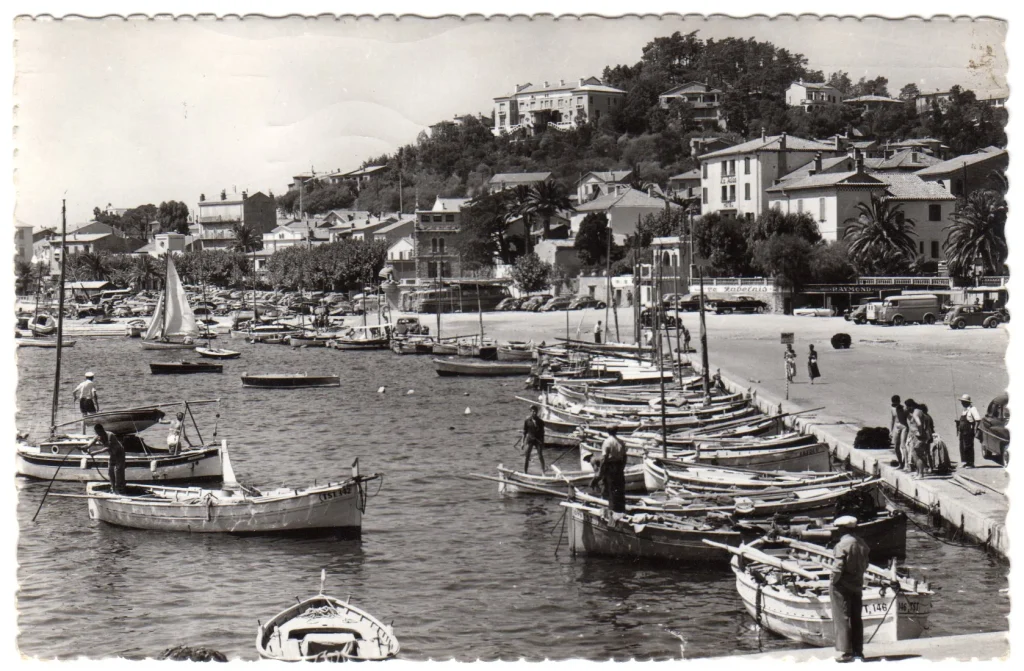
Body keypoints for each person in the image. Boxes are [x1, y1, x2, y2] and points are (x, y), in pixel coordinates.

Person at [830, 515, 870, 662]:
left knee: (842, 618)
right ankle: (858, 651)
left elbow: (838, 568)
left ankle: (846, 652)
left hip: (842, 586)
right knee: (856, 618)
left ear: (842, 529)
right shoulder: (862, 543)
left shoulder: (841, 545)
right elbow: (866, 564)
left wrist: (833, 582)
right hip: (857, 585)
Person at [596, 426, 627, 514]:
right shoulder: (621, 442)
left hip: (610, 466)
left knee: (611, 488)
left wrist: (601, 471)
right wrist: (622, 467)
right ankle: (621, 508)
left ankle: (613, 510)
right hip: (619, 466)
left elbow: (604, 458)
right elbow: (625, 457)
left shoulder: (607, 442)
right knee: (620, 487)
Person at [93, 424, 126, 495]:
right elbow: (90, 443)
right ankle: (113, 488)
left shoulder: (110, 435)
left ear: (102, 430)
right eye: (96, 432)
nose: (97, 434)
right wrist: (84, 447)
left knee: (118, 470)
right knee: (110, 470)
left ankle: (120, 488)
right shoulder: (98, 436)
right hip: (113, 454)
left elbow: (108, 447)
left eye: (98, 432)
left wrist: (96, 452)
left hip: (119, 454)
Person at [956, 394, 981, 469]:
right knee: (962, 447)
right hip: (962, 431)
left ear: (968, 402)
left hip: (969, 431)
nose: (962, 403)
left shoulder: (972, 409)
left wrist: (975, 429)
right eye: (962, 401)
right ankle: (966, 462)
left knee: (968, 446)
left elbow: (978, 419)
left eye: (964, 402)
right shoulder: (964, 410)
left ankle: (971, 463)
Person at [522, 405, 546, 474]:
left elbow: (542, 433)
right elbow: (524, 432)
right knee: (527, 455)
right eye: (533, 411)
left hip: (538, 440)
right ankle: (525, 472)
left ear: (537, 412)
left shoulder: (541, 422)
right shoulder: (527, 421)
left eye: (535, 411)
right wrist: (522, 443)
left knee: (540, 455)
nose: (534, 413)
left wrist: (543, 443)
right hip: (530, 440)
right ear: (530, 412)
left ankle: (543, 471)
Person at [889, 395, 908, 470]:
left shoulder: (904, 409)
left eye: (896, 404)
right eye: (893, 404)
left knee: (903, 445)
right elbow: (892, 420)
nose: (895, 406)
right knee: (896, 446)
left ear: (899, 402)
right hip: (896, 427)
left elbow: (909, 419)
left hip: (903, 427)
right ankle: (901, 463)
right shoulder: (892, 409)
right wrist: (891, 431)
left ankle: (906, 464)